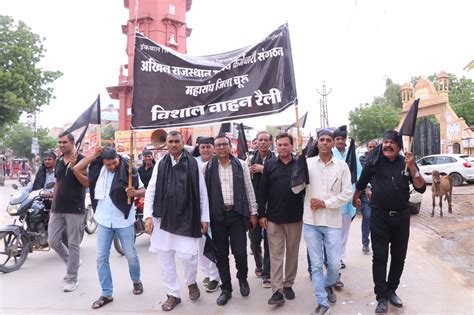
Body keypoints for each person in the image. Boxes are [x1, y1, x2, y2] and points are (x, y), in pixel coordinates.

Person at [353, 131, 426, 314]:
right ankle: (381, 297)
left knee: (399, 257)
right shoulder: (375, 162)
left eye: (392, 143)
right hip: (379, 217)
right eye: (385, 142)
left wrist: (412, 168)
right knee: (380, 257)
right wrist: (356, 198)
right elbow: (361, 183)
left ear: (399, 147)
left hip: (401, 218)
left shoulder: (406, 162)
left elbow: (421, 187)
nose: (387, 145)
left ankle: (392, 290)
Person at [144, 131, 209, 312]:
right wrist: (148, 215)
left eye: (176, 141)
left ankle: (191, 282)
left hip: (188, 217)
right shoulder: (160, 164)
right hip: (163, 218)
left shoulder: (194, 164)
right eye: (170, 142)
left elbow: (202, 192)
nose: (173, 145)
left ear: (182, 143)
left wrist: (204, 218)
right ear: (166, 144)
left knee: (189, 256)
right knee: (165, 259)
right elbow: (151, 190)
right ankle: (173, 294)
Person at [74, 147, 145, 309]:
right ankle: (106, 293)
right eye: (108, 164)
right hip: (103, 219)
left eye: (114, 163)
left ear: (118, 158)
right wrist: (94, 156)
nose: (112, 167)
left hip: (124, 219)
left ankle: (136, 280)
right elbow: (77, 168)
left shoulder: (129, 169)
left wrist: (135, 193)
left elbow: (143, 190)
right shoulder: (97, 168)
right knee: (101, 258)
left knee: (131, 255)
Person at [293, 129, 352, 315]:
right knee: (316, 265)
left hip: (332, 221)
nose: (325, 143)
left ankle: (328, 284)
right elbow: (296, 190)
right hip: (311, 221)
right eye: (322, 140)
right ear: (317, 143)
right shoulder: (307, 163)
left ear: (333, 143)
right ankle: (322, 301)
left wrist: (325, 203)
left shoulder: (342, 166)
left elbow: (347, 194)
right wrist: (298, 171)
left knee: (334, 264)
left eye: (328, 140)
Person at [204, 135, 258, 306]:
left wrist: (253, 213)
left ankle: (242, 278)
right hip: (217, 216)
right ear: (214, 148)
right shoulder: (207, 167)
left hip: (236, 214)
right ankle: (226, 288)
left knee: (240, 252)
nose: (221, 148)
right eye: (218, 145)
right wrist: (203, 218)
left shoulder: (241, 165)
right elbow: (203, 196)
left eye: (224, 145)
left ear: (230, 147)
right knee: (221, 255)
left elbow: (249, 189)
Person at [257, 132, 304, 306]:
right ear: (276, 146)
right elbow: (262, 191)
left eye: (286, 144)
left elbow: (306, 189)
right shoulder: (269, 165)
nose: (283, 147)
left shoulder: (300, 164)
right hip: (273, 218)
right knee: (276, 255)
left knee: (292, 254)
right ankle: (277, 291)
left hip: (295, 218)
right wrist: (261, 214)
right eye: (280, 144)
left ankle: (288, 284)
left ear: (292, 146)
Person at [48, 132, 88, 292]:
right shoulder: (58, 160)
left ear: (72, 143)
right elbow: (57, 183)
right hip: (58, 208)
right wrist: (52, 206)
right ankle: (73, 261)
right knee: (53, 241)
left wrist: (74, 168)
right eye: (59, 142)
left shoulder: (82, 160)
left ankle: (72, 278)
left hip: (74, 208)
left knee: (73, 244)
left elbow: (87, 183)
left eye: (64, 142)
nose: (61, 145)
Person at [332, 125, 362, 270]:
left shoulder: (352, 154)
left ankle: (340, 258)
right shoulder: (330, 153)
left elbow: (360, 173)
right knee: (332, 232)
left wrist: (366, 187)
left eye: (342, 139)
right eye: (337, 138)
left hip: (348, 199)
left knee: (344, 231)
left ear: (345, 140)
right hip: (332, 199)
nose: (340, 141)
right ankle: (331, 258)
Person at [248, 130, 274, 287]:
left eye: (266, 140)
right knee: (254, 240)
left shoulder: (276, 159)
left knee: (270, 241)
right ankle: (259, 265)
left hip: (272, 206)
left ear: (270, 143)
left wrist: (263, 169)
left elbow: (281, 176)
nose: (263, 142)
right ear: (256, 142)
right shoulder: (249, 160)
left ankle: (267, 273)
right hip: (255, 206)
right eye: (260, 140)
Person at [195, 137, 220, 293]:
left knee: (213, 245)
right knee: (199, 246)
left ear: (213, 148)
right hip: (197, 211)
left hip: (215, 212)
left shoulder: (219, 163)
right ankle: (207, 273)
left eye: (208, 147)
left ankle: (215, 277)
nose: (205, 150)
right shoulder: (193, 162)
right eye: (202, 147)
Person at [358, 139, 378, 253]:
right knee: (367, 216)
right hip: (366, 194)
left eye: (374, 147)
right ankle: (365, 243)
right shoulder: (362, 160)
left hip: (379, 193)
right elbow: (362, 176)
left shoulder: (381, 159)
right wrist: (367, 188)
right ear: (367, 148)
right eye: (370, 147)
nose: (372, 149)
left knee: (377, 219)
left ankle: (377, 243)